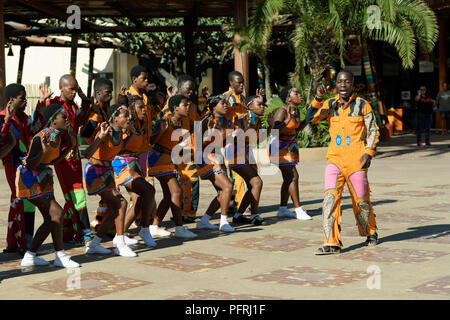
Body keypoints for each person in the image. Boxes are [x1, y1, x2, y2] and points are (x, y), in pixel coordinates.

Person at [306, 71, 379, 255]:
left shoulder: (363, 105)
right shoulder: (330, 104)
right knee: (330, 198)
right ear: (335, 85)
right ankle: (331, 242)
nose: (343, 85)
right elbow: (310, 118)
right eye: (340, 82)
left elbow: (373, 131)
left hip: (356, 161)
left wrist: (368, 153)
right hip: (335, 160)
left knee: (361, 200)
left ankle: (370, 231)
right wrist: (317, 98)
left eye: (347, 81)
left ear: (353, 84)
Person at [16, 104, 79, 267]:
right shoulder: (41, 137)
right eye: (63, 117)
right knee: (57, 213)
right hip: (30, 178)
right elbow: (30, 164)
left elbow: (52, 161)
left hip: (43, 178)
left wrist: (70, 147)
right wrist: (43, 151)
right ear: (53, 120)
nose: (67, 120)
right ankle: (60, 255)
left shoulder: (57, 137)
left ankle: (30, 256)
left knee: (50, 219)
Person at [34, 75, 92, 244]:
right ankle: (85, 234)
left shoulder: (73, 107)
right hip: (62, 158)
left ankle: (66, 232)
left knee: (72, 197)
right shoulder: (55, 105)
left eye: (76, 89)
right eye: (71, 89)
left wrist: (83, 97)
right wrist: (41, 102)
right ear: (61, 87)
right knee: (77, 194)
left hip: (74, 158)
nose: (74, 92)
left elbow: (83, 117)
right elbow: (40, 120)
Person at [83, 104, 137, 257]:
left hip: (107, 172)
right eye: (125, 116)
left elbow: (120, 149)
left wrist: (132, 134)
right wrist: (100, 136)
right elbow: (87, 153)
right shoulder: (105, 132)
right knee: (121, 203)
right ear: (115, 118)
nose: (129, 118)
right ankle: (120, 242)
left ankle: (94, 245)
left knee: (114, 209)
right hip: (95, 171)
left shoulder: (120, 133)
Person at [148, 94, 198, 239]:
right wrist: (161, 131)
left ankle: (154, 226)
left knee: (169, 194)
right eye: (185, 105)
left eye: (189, 104)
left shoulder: (185, 121)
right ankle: (179, 228)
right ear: (175, 108)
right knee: (176, 191)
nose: (188, 107)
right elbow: (151, 141)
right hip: (158, 157)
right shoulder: (166, 120)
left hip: (169, 158)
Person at [113, 95, 157, 247]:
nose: (144, 110)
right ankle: (145, 229)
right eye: (140, 107)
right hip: (122, 164)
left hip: (133, 163)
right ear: (132, 109)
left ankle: (121, 234)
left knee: (138, 198)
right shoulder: (126, 126)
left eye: (144, 107)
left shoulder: (139, 125)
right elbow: (118, 146)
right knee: (149, 191)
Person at [0, 84, 36, 253]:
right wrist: (6, 121)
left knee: (24, 201)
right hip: (12, 166)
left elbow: (34, 131)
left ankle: (17, 241)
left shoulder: (23, 117)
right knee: (20, 199)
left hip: (26, 165)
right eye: (22, 98)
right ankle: (22, 243)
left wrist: (40, 111)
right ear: (12, 100)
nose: (25, 101)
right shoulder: (2, 118)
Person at [163, 75, 202, 223]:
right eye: (188, 89)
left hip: (189, 150)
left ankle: (187, 213)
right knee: (184, 182)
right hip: (175, 151)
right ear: (180, 88)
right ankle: (182, 213)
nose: (191, 92)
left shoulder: (191, 106)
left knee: (189, 181)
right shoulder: (172, 104)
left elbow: (197, 124)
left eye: (193, 89)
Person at [268, 86, 312, 220]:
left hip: (290, 146)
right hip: (279, 146)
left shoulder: (296, 111)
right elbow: (274, 131)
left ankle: (282, 209)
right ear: (288, 99)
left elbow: (296, 129)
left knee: (288, 178)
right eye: (296, 93)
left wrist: (308, 117)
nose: (300, 95)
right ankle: (298, 209)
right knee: (293, 176)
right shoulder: (282, 111)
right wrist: (285, 122)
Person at [223, 92, 266, 226]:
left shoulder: (257, 120)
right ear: (250, 107)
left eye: (263, 104)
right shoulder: (242, 118)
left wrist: (271, 127)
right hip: (236, 153)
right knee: (257, 182)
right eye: (259, 104)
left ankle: (238, 215)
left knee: (252, 185)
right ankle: (254, 215)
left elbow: (256, 140)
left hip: (247, 153)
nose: (263, 107)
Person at [80, 78, 115, 236]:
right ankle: (104, 230)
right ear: (98, 93)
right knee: (114, 199)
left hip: (106, 161)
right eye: (108, 92)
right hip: (97, 161)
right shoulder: (95, 113)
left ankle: (100, 224)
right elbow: (85, 134)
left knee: (108, 199)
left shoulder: (102, 109)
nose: (111, 95)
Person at [195, 94, 235, 232]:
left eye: (226, 103)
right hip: (206, 158)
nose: (226, 105)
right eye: (222, 103)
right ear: (213, 107)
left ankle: (204, 220)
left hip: (217, 157)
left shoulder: (222, 120)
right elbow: (195, 144)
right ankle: (223, 222)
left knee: (222, 191)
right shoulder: (206, 120)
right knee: (228, 186)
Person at [223, 71, 249, 221]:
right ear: (231, 83)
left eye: (242, 82)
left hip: (240, 143)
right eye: (238, 82)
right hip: (229, 142)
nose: (241, 85)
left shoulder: (242, 98)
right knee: (235, 176)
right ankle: (235, 209)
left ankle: (235, 208)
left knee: (238, 177)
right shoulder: (227, 98)